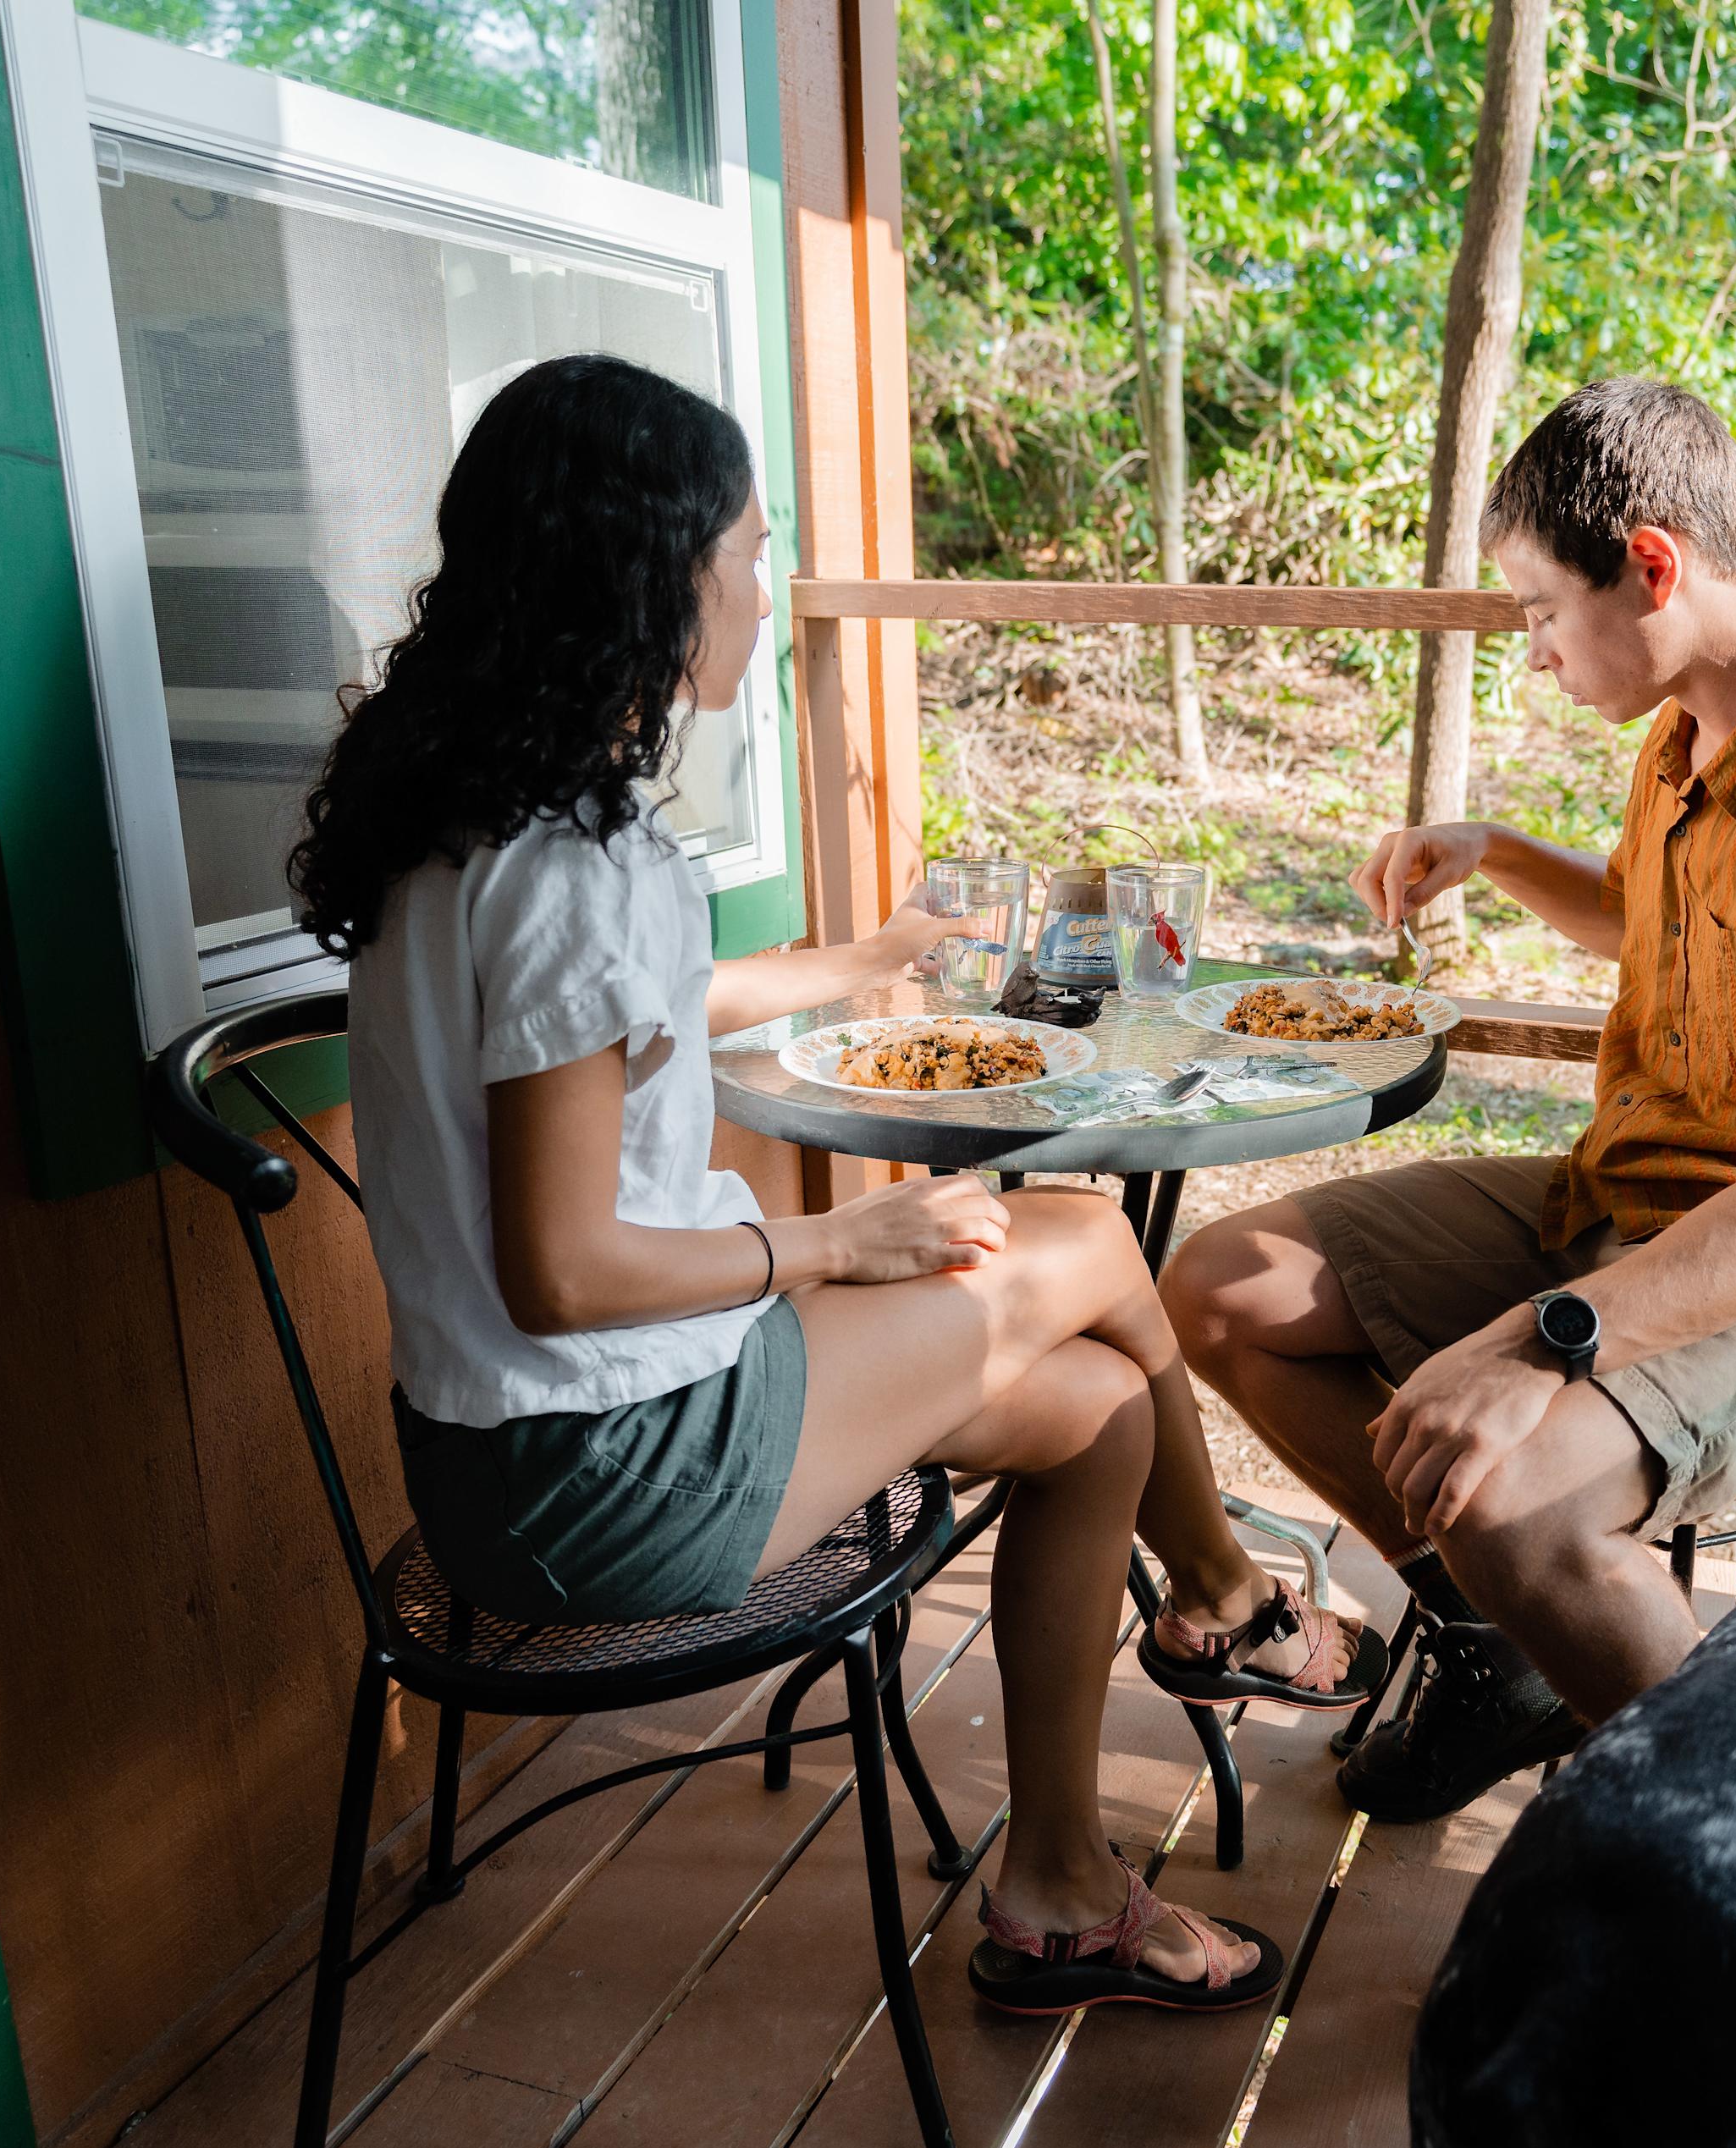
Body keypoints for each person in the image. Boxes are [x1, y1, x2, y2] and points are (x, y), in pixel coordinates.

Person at [289, 354, 1376, 2015]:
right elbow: (564, 1270)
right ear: (653, 586)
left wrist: (858, 959)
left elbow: (609, 1019)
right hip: (598, 1471)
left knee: (1098, 1407)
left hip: (502, 1447)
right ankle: (1226, 1600)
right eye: (746, 546)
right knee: (1081, 1233)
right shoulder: (572, 869)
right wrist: (834, 1240)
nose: (763, 578)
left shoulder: (467, 824)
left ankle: (1061, 1886)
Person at [1160, 377, 1736, 1823]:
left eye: (1539, 612)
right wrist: (1490, 846)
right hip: (1624, 1198)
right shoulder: (1687, 729)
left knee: (1512, 1487)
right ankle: (1506, 1642)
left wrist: (1541, 1340)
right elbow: (1650, 917)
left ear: (1654, 562)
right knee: (1223, 1287)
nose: (1534, 651)